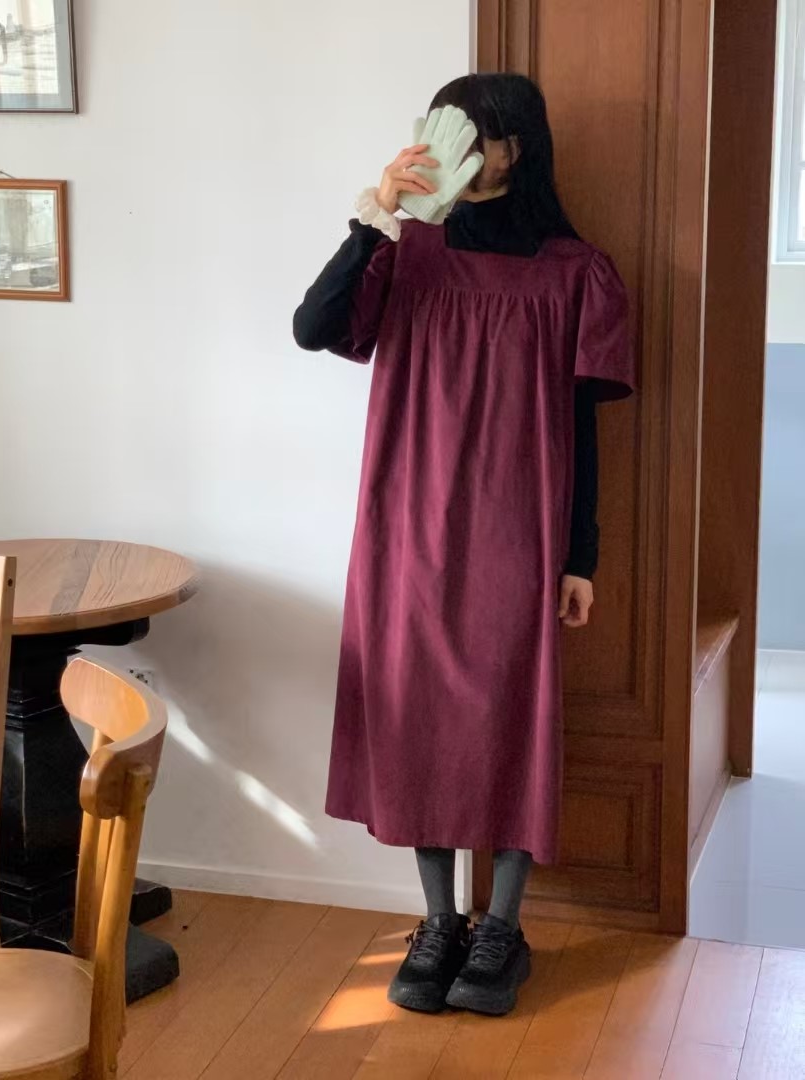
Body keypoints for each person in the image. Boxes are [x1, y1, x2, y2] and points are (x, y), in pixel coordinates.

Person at [293, 73, 634, 1017]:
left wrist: (581, 556)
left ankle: (502, 930)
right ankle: (439, 921)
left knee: (514, 718)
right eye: (442, 131)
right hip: (406, 530)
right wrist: (377, 216)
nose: (457, 151)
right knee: (417, 721)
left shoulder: (575, 272)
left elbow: (584, 426)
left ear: (516, 148)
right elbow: (312, 329)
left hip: (518, 532)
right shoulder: (408, 253)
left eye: (475, 135)